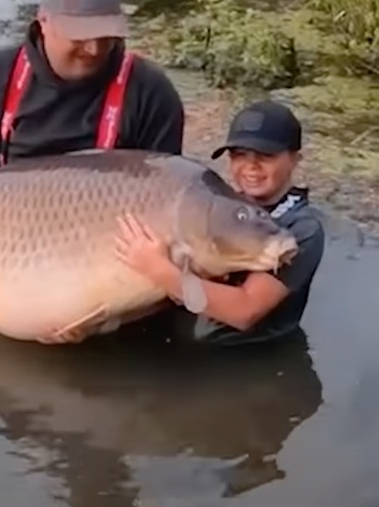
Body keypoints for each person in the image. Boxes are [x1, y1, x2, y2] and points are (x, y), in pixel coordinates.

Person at [0, 0, 187, 282]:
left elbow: (167, 198)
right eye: (80, 36)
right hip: (13, 246)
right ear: (44, 21)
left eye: (105, 35)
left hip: (111, 260)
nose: (95, 48)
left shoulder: (151, 92)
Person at [113, 99, 326, 347]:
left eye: (265, 156)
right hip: (177, 354)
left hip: (244, 363)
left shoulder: (301, 229)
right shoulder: (218, 208)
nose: (251, 166)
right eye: (239, 155)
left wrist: (159, 270)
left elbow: (244, 311)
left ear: (294, 159)